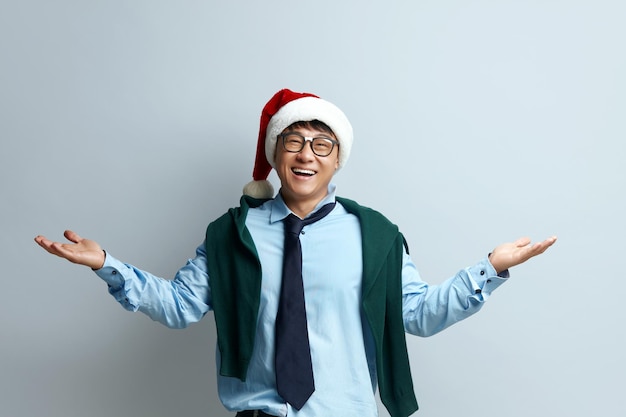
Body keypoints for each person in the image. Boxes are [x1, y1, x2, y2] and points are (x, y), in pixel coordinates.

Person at [34, 88, 557, 417]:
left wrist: (488, 270)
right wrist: (107, 265)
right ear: (275, 155)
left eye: (321, 144)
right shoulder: (231, 233)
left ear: (336, 161)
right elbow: (179, 305)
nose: (306, 154)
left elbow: (416, 315)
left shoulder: (373, 234)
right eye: (294, 141)